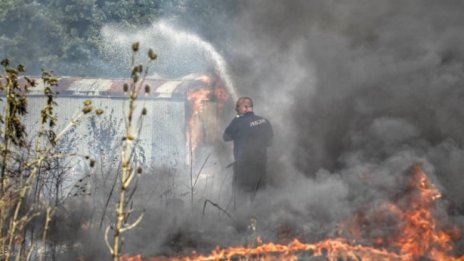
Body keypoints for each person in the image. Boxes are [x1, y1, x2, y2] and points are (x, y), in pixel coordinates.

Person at [223, 97, 273, 202]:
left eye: (237, 107)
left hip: (243, 166)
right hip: (261, 164)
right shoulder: (264, 121)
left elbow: (225, 137)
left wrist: (237, 120)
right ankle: (260, 216)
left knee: (240, 194)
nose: (236, 109)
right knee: (260, 194)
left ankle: (242, 217)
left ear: (245, 107)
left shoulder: (238, 122)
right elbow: (269, 143)